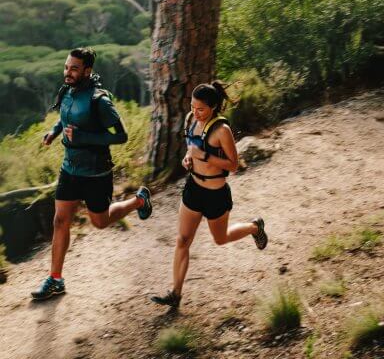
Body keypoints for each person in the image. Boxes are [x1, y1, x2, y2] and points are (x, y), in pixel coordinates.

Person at [31, 47, 152, 301]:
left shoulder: (100, 100)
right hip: (70, 169)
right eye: (66, 67)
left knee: (100, 221)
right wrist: (54, 132)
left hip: (96, 173)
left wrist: (84, 137)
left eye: (74, 68)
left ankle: (139, 200)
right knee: (60, 221)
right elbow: (65, 117)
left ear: (87, 70)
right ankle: (55, 279)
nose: (68, 72)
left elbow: (121, 135)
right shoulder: (67, 91)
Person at [151, 82, 268, 309]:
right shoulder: (190, 119)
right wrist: (189, 158)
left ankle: (255, 227)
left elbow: (233, 165)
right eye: (193, 107)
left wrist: (203, 156)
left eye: (201, 109)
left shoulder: (221, 130)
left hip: (216, 194)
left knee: (220, 238)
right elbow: (191, 147)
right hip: (193, 188)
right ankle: (175, 293)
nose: (195, 112)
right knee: (183, 240)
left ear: (213, 107)